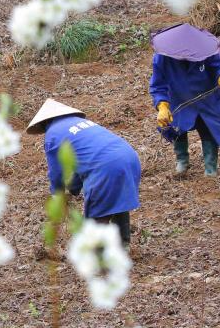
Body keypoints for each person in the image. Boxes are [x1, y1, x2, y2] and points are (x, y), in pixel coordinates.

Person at [26, 99, 141, 245]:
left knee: (96, 218)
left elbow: (58, 172)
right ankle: (123, 246)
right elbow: (82, 162)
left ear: (44, 123)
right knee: (118, 201)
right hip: (129, 157)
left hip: (104, 167)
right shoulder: (83, 125)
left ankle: (99, 258)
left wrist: (57, 194)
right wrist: (74, 189)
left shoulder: (52, 135)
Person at [148, 23, 220, 177]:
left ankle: (211, 167)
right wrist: (162, 107)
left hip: (206, 101)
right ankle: (182, 161)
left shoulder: (207, 51)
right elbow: (158, 85)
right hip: (179, 101)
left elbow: (219, 66)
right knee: (177, 130)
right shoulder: (162, 58)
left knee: (209, 131)